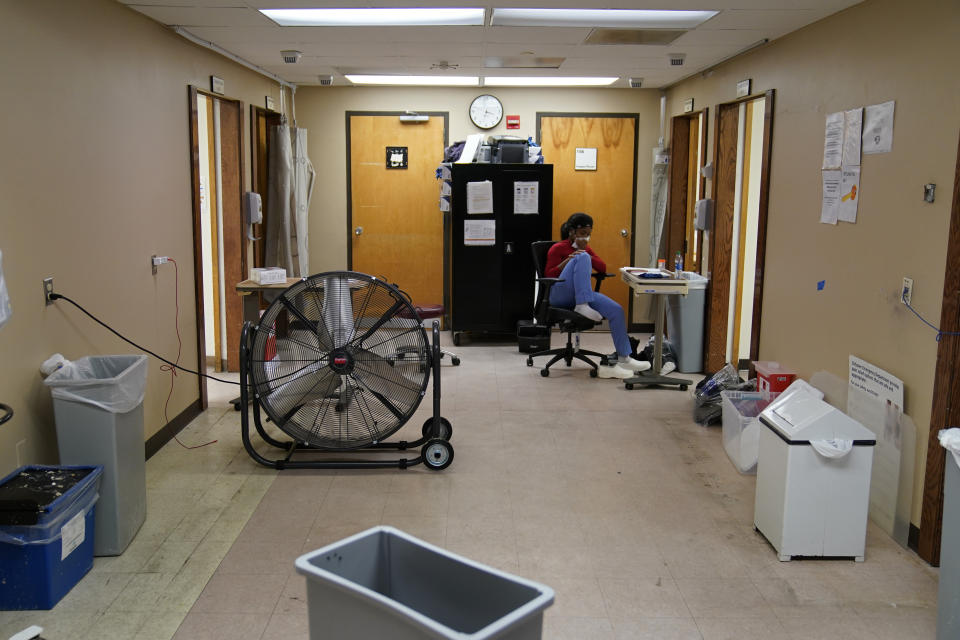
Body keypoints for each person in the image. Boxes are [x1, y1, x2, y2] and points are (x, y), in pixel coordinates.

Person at [544, 212, 650, 378]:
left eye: (588, 234)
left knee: (616, 310)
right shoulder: (558, 248)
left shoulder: (586, 250)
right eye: (582, 234)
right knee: (582, 258)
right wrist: (569, 260)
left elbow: (602, 268)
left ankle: (624, 357)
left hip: (581, 295)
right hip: (560, 294)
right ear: (572, 232)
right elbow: (548, 274)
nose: (586, 238)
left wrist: (584, 252)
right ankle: (582, 305)